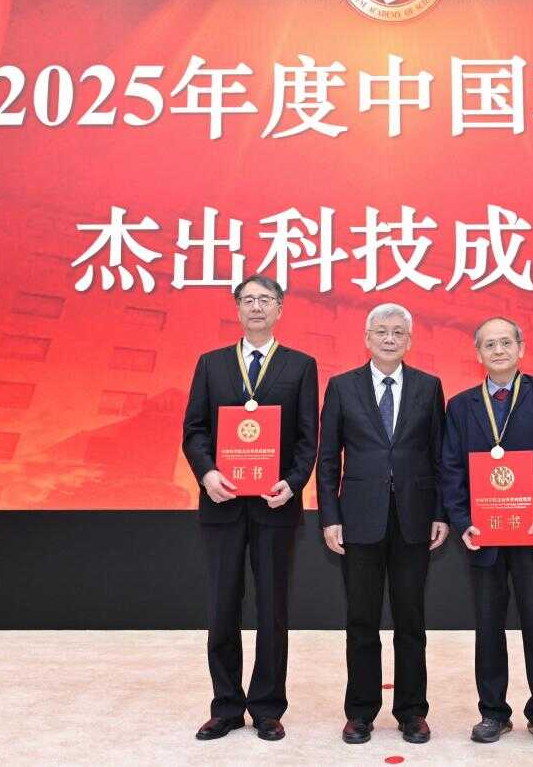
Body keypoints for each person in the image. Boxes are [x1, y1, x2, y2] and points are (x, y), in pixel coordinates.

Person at [181, 275, 319, 742]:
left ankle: (266, 707)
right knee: (223, 605)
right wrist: (207, 474)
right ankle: (225, 706)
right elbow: (194, 430)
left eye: (266, 299)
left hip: (274, 505)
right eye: (248, 299)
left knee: (272, 608)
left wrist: (293, 483)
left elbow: (308, 438)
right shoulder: (212, 363)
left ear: (280, 308)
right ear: (237, 308)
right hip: (221, 504)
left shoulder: (301, 365)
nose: (257, 307)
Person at [316, 303, 448, 746]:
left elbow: (440, 455)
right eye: (381, 331)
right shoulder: (341, 386)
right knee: (361, 620)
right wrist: (330, 517)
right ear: (367, 338)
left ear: (409, 340)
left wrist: (441, 513)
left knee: (411, 620)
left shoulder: (429, 387)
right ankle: (360, 712)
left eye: (398, 332)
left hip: (414, 518)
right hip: (359, 519)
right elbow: (328, 459)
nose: (389, 339)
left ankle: (412, 711)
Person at [439, 316, 533, 746]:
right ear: (477, 353)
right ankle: (493, 712)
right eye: (489, 344)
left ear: (521, 348)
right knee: (488, 625)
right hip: (484, 534)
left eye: (505, 342)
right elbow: (451, 468)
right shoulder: (461, 406)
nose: (498, 350)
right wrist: (462, 522)